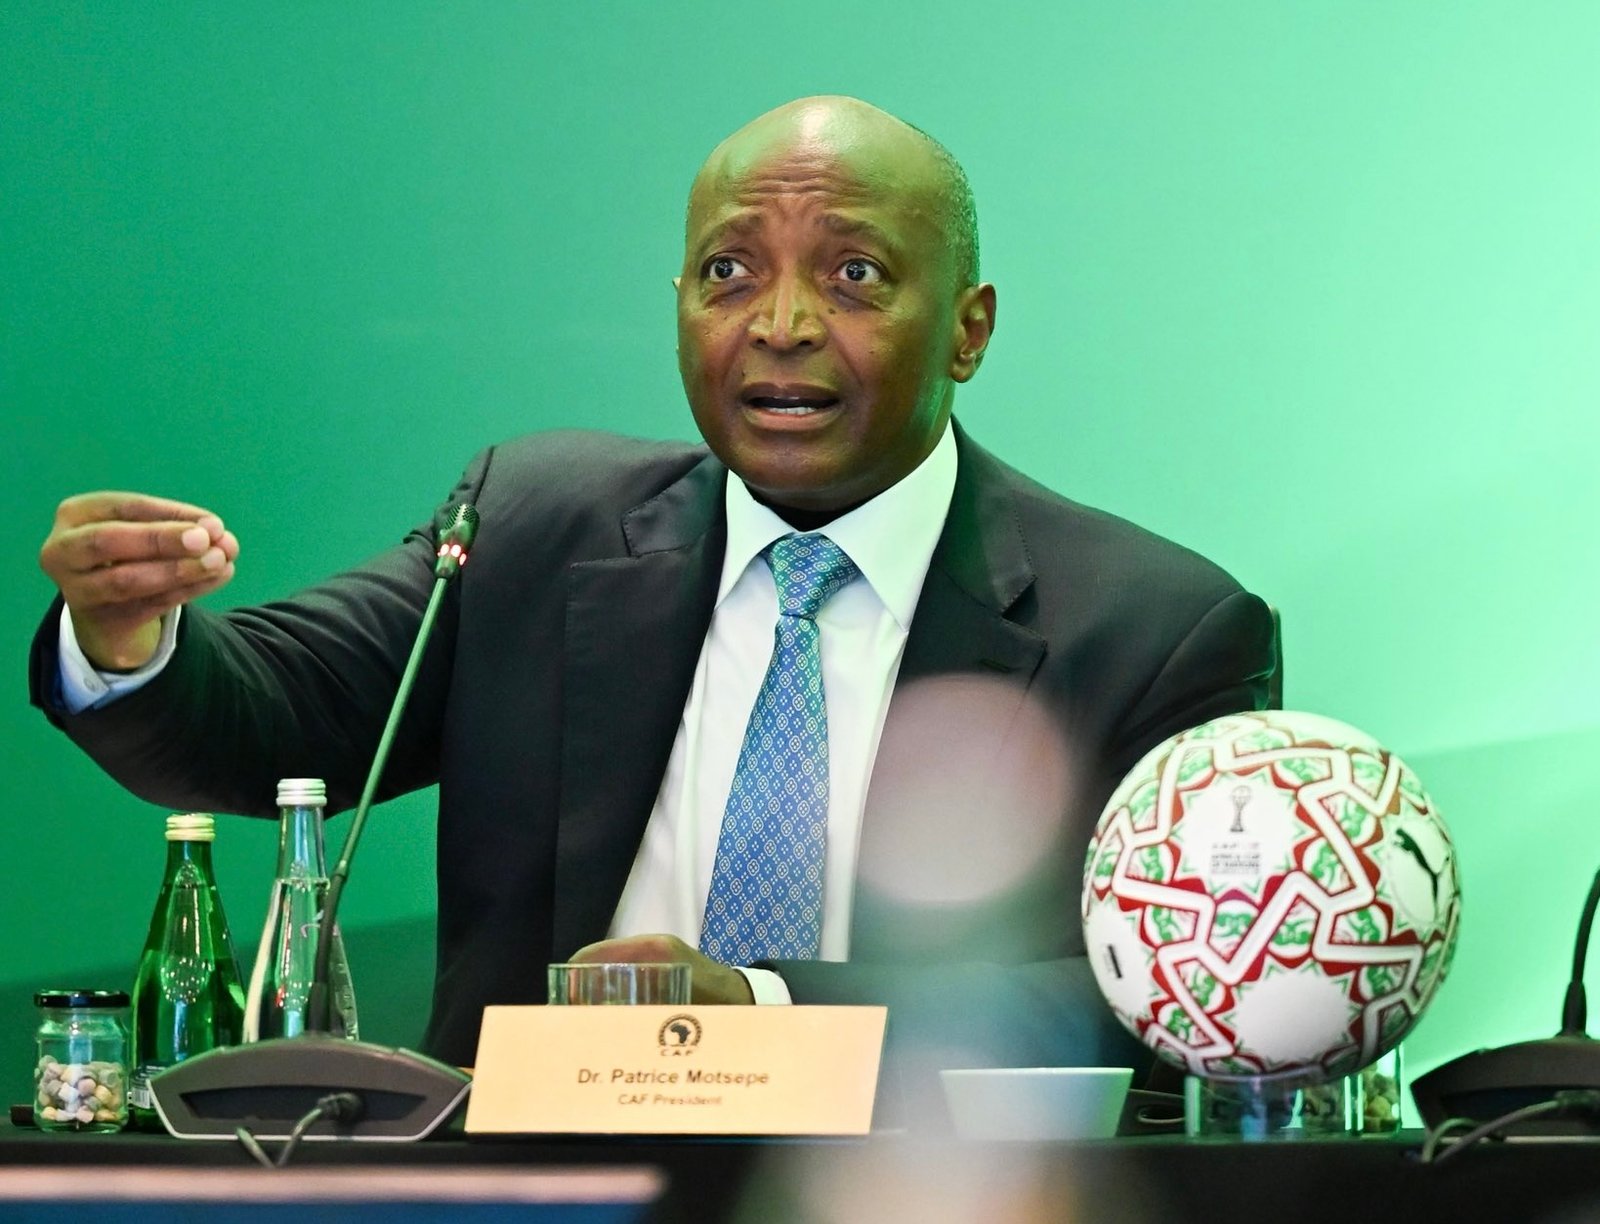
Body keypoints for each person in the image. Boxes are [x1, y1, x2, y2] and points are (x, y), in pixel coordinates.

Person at [32, 96, 1276, 1111]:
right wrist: (128, 638)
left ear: (968, 330)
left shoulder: (1153, 631)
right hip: (543, 1194)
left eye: (853, 275)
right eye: (729, 272)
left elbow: (1180, 999)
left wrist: (765, 1013)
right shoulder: (532, 528)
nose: (780, 326)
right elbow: (266, 716)